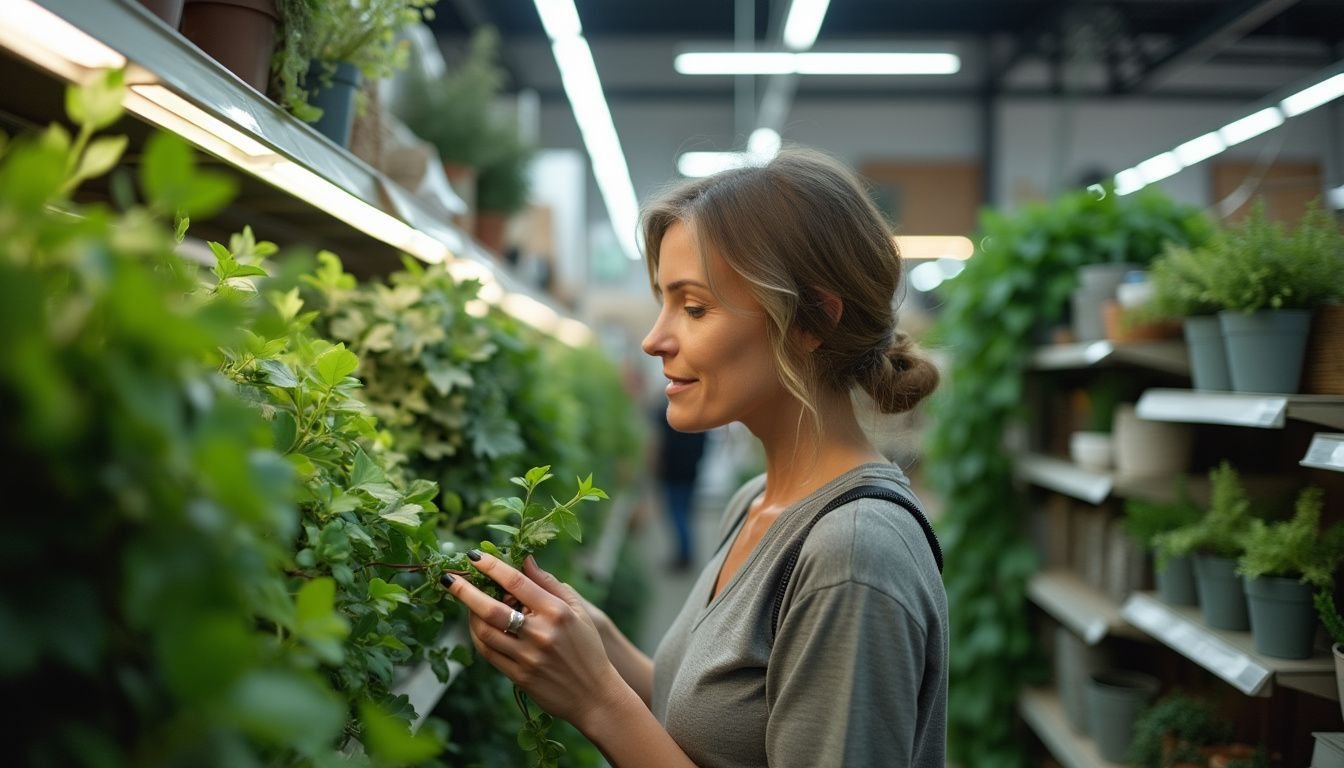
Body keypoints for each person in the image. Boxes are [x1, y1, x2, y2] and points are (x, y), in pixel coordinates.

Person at [440, 146, 948, 767]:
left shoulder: (852, 552)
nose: (655, 339)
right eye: (662, 301)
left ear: (813, 320)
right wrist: (600, 645)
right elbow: (721, 734)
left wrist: (598, 699)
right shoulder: (755, 501)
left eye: (695, 307)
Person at [653, 403, 708, 571]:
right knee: (685, 514)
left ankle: (684, 556)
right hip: (690, 472)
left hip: (673, 473)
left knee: (677, 514)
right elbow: (703, 448)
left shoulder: (668, 414)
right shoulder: (701, 417)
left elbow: (660, 444)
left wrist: (657, 467)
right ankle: (686, 554)